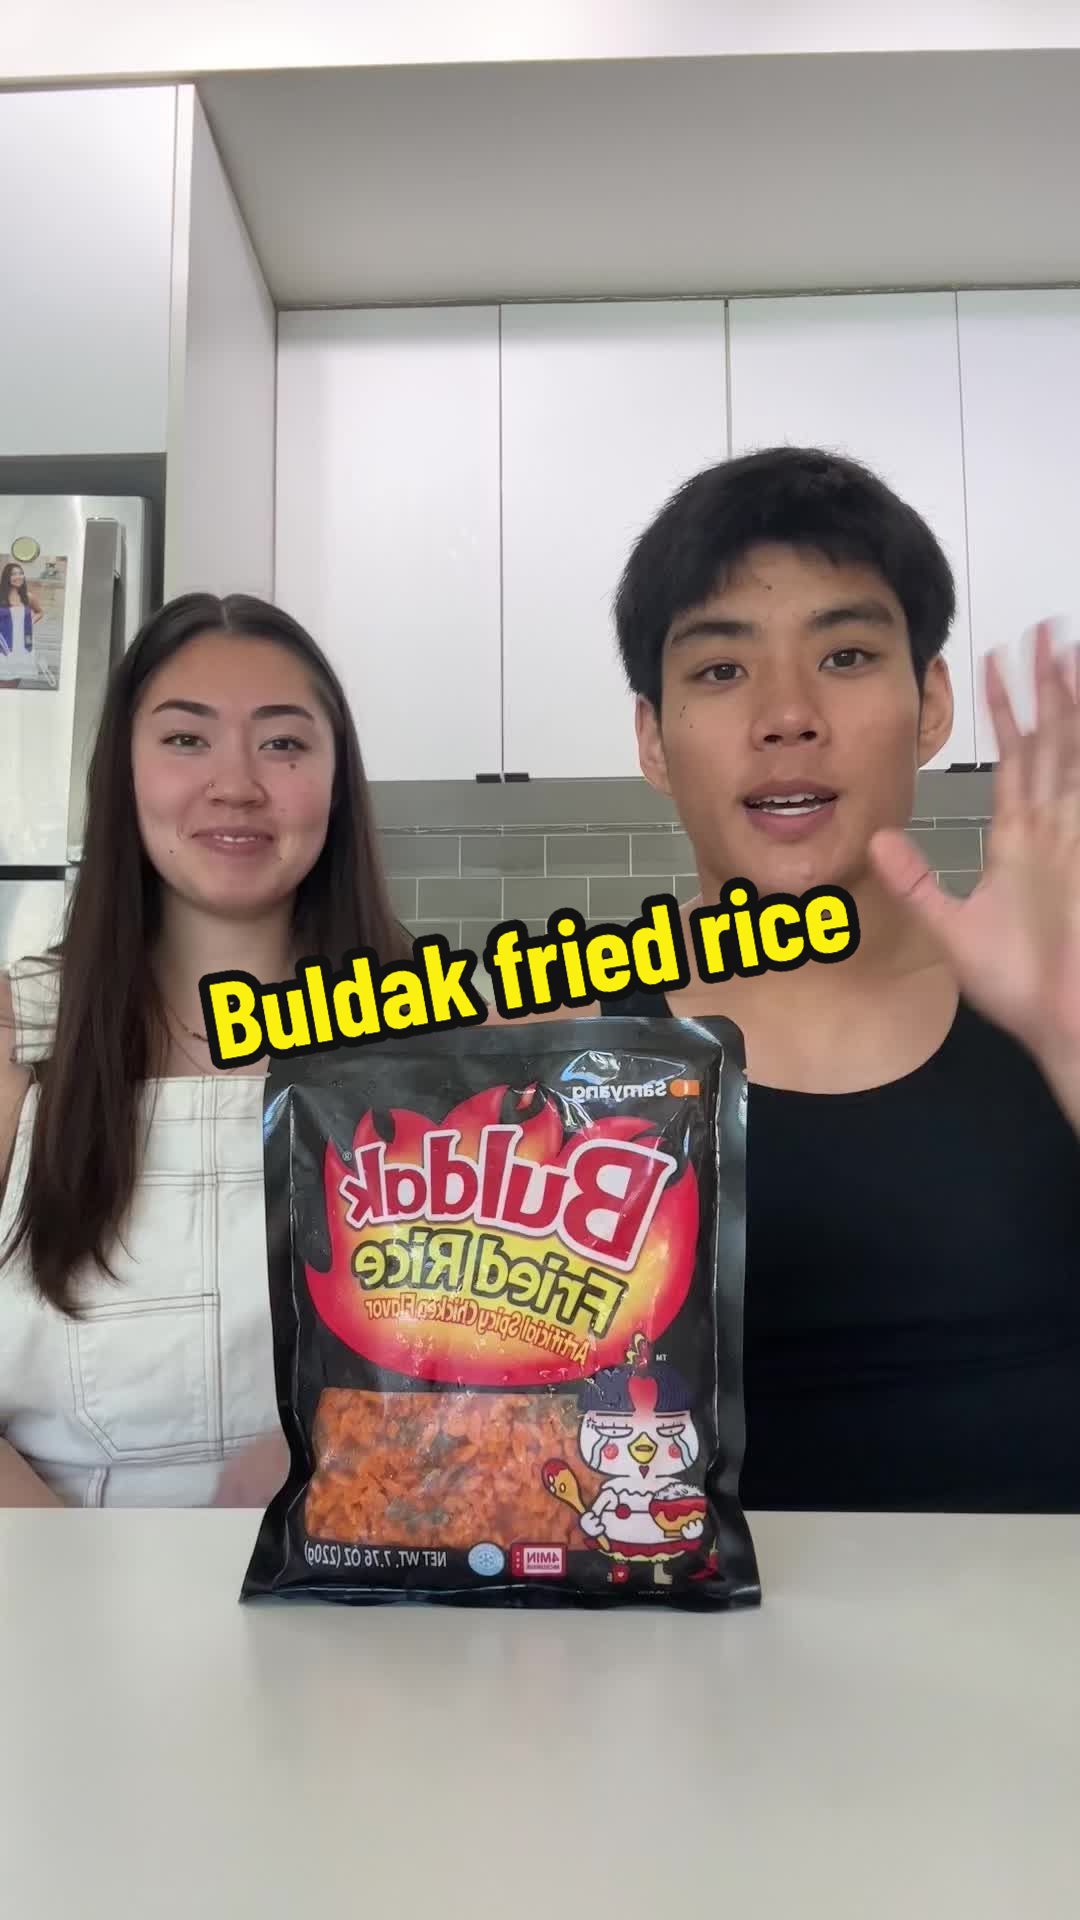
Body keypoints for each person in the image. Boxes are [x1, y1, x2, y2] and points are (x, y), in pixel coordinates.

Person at [590, 446, 1080, 1512]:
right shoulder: (568, 1063)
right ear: (654, 739)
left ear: (932, 703)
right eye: (721, 670)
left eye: (847, 655)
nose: (787, 715)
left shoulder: (1056, 1009)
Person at [0, 591, 409, 1507]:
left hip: (356, 1580)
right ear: (123, 771)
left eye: (283, 743)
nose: (236, 785)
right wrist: (72, 1569)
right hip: (49, 1579)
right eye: (186, 739)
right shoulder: (17, 1035)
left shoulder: (439, 1039)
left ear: (336, 781)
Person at [0, 561, 43, 685]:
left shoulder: (28, 597)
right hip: (3, 644)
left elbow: (40, 612)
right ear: (7, 577)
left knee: (15, 680)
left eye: (20, 573)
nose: (18, 576)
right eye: (14, 574)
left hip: (22, 645)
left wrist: (30, 622)